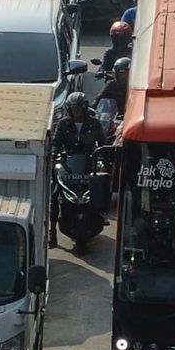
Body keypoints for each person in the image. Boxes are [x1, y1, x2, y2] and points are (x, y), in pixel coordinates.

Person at [51, 91, 105, 248]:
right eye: (73, 108)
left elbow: (102, 141)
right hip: (68, 165)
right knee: (55, 193)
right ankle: (52, 232)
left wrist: (103, 152)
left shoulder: (94, 123)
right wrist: (54, 153)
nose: (76, 111)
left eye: (78, 108)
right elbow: (56, 142)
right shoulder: (63, 124)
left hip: (88, 164)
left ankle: (101, 213)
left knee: (101, 186)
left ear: (84, 108)